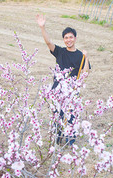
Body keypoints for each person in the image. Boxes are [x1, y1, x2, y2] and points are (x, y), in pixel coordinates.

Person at [36, 14, 91, 145]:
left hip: (72, 90)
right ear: (64, 40)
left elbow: (85, 73)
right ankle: (57, 139)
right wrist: (42, 27)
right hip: (58, 90)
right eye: (66, 38)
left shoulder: (80, 55)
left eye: (71, 37)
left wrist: (86, 57)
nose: (68, 40)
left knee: (71, 116)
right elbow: (48, 42)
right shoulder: (60, 52)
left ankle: (70, 141)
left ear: (75, 39)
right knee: (57, 115)